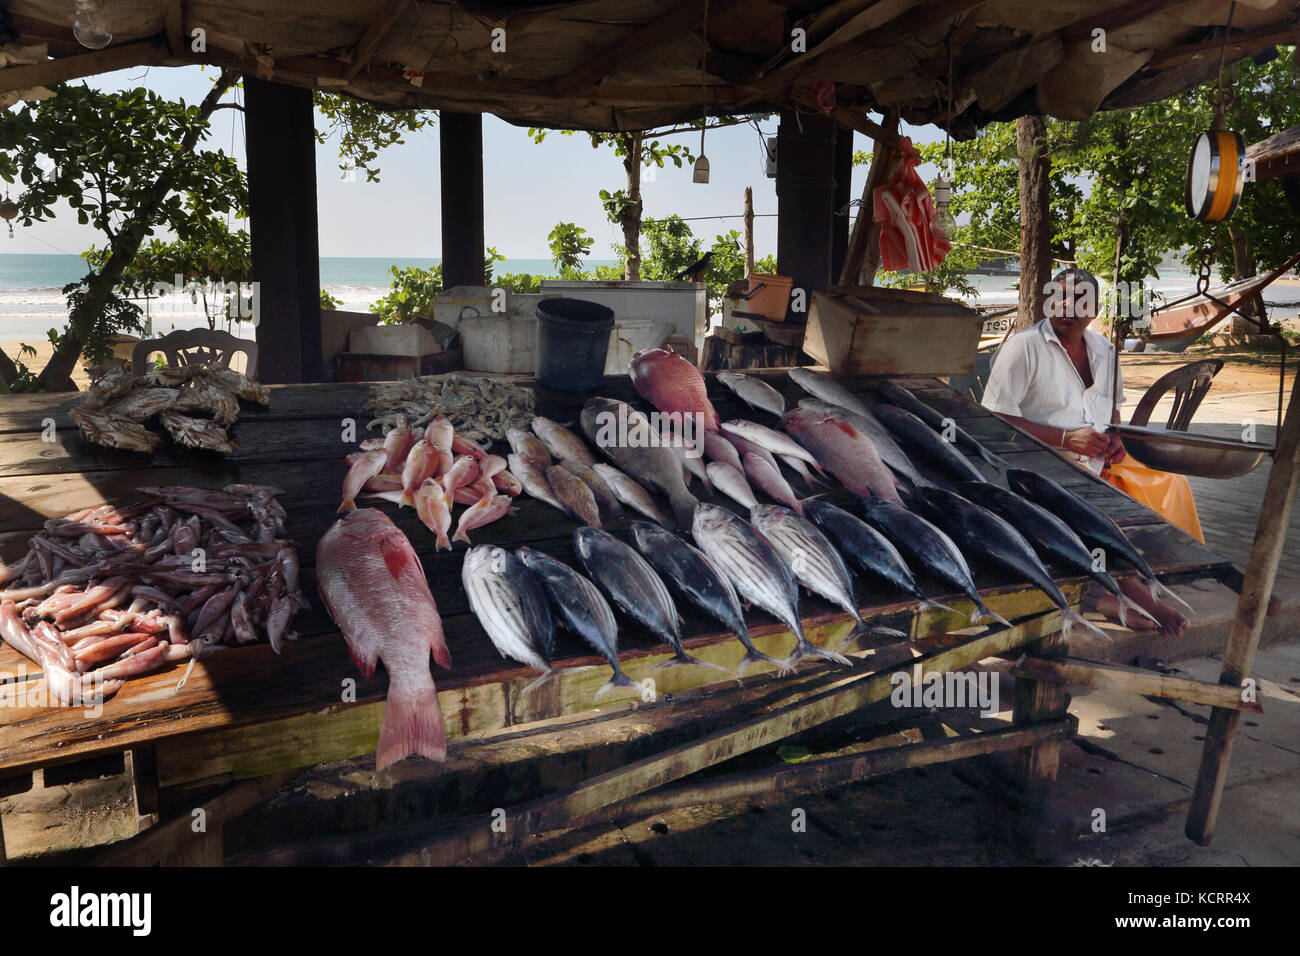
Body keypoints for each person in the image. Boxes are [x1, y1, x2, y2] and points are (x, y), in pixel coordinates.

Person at [981, 267, 1189, 637]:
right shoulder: (1024, 347)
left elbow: (1112, 408)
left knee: (1171, 483)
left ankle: (1158, 576)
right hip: (1038, 465)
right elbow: (991, 420)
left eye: (1079, 300)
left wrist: (1116, 437)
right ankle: (1124, 595)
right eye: (1059, 297)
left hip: (1095, 458)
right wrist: (1064, 439)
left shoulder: (1105, 349)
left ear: (1094, 309)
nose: (1067, 306)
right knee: (1094, 510)